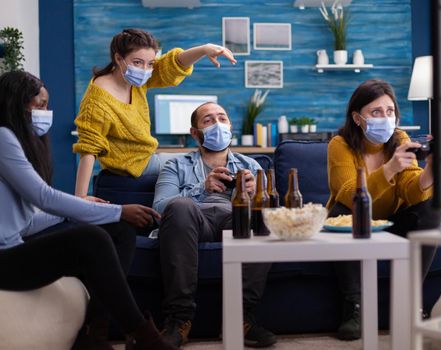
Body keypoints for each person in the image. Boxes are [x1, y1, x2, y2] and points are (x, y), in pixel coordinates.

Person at [0, 70, 180, 350]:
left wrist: (84, 208)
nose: (46, 112)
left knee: (120, 231)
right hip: (5, 259)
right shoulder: (2, 137)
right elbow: (42, 196)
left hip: (15, 245)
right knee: (91, 237)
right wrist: (117, 210)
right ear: (15, 103)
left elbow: (25, 223)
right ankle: (146, 338)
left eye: (47, 105)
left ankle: (94, 333)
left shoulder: (20, 143)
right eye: (39, 105)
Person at [152, 102, 276, 348]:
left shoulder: (251, 166)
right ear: (195, 133)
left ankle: (240, 318)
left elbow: (276, 212)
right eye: (208, 120)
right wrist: (202, 188)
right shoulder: (175, 165)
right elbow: (159, 208)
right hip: (195, 222)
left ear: (230, 126)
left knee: (265, 217)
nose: (218, 124)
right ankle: (179, 319)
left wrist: (255, 197)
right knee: (178, 206)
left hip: (236, 220)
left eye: (222, 118)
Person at [326, 79, 441, 340]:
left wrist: (432, 168)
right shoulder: (339, 145)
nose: (385, 118)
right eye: (375, 112)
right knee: (339, 212)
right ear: (358, 118)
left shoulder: (400, 138)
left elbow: (412, 190)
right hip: (354, 219)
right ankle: (353, 307)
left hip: (392, 221)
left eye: (390, 111)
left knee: (431, 209)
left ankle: (409, 302)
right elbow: (348, 193)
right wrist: (389, 168)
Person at [73, 28, 237, 201]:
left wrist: (204, 49)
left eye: (150, 63)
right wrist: (81, 197)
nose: (144, 70)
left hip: (149, 158)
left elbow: (173, 65)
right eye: (137, 62)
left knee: (206, 162)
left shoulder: (133, 79)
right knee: (193, 167)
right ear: (118, 58)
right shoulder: (97, 100)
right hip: (134, 167)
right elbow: (89, 148)